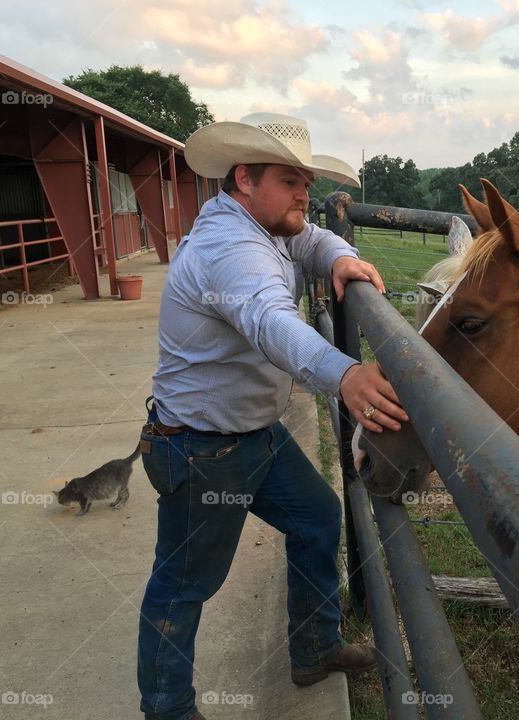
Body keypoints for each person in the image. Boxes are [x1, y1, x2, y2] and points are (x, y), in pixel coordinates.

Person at [136, 112, 408, 720]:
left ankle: (314, 647)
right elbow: (269, 320)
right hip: (202, 450)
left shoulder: (266, 225)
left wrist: (338, 256)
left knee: (316, 518)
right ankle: (167, 710)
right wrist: (344, 373)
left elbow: (311, 238)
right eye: (290, 180)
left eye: (305, 182)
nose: (303, 194)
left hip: (252, 435)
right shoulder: (230, 249)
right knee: (182, 586)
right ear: (244, 178)